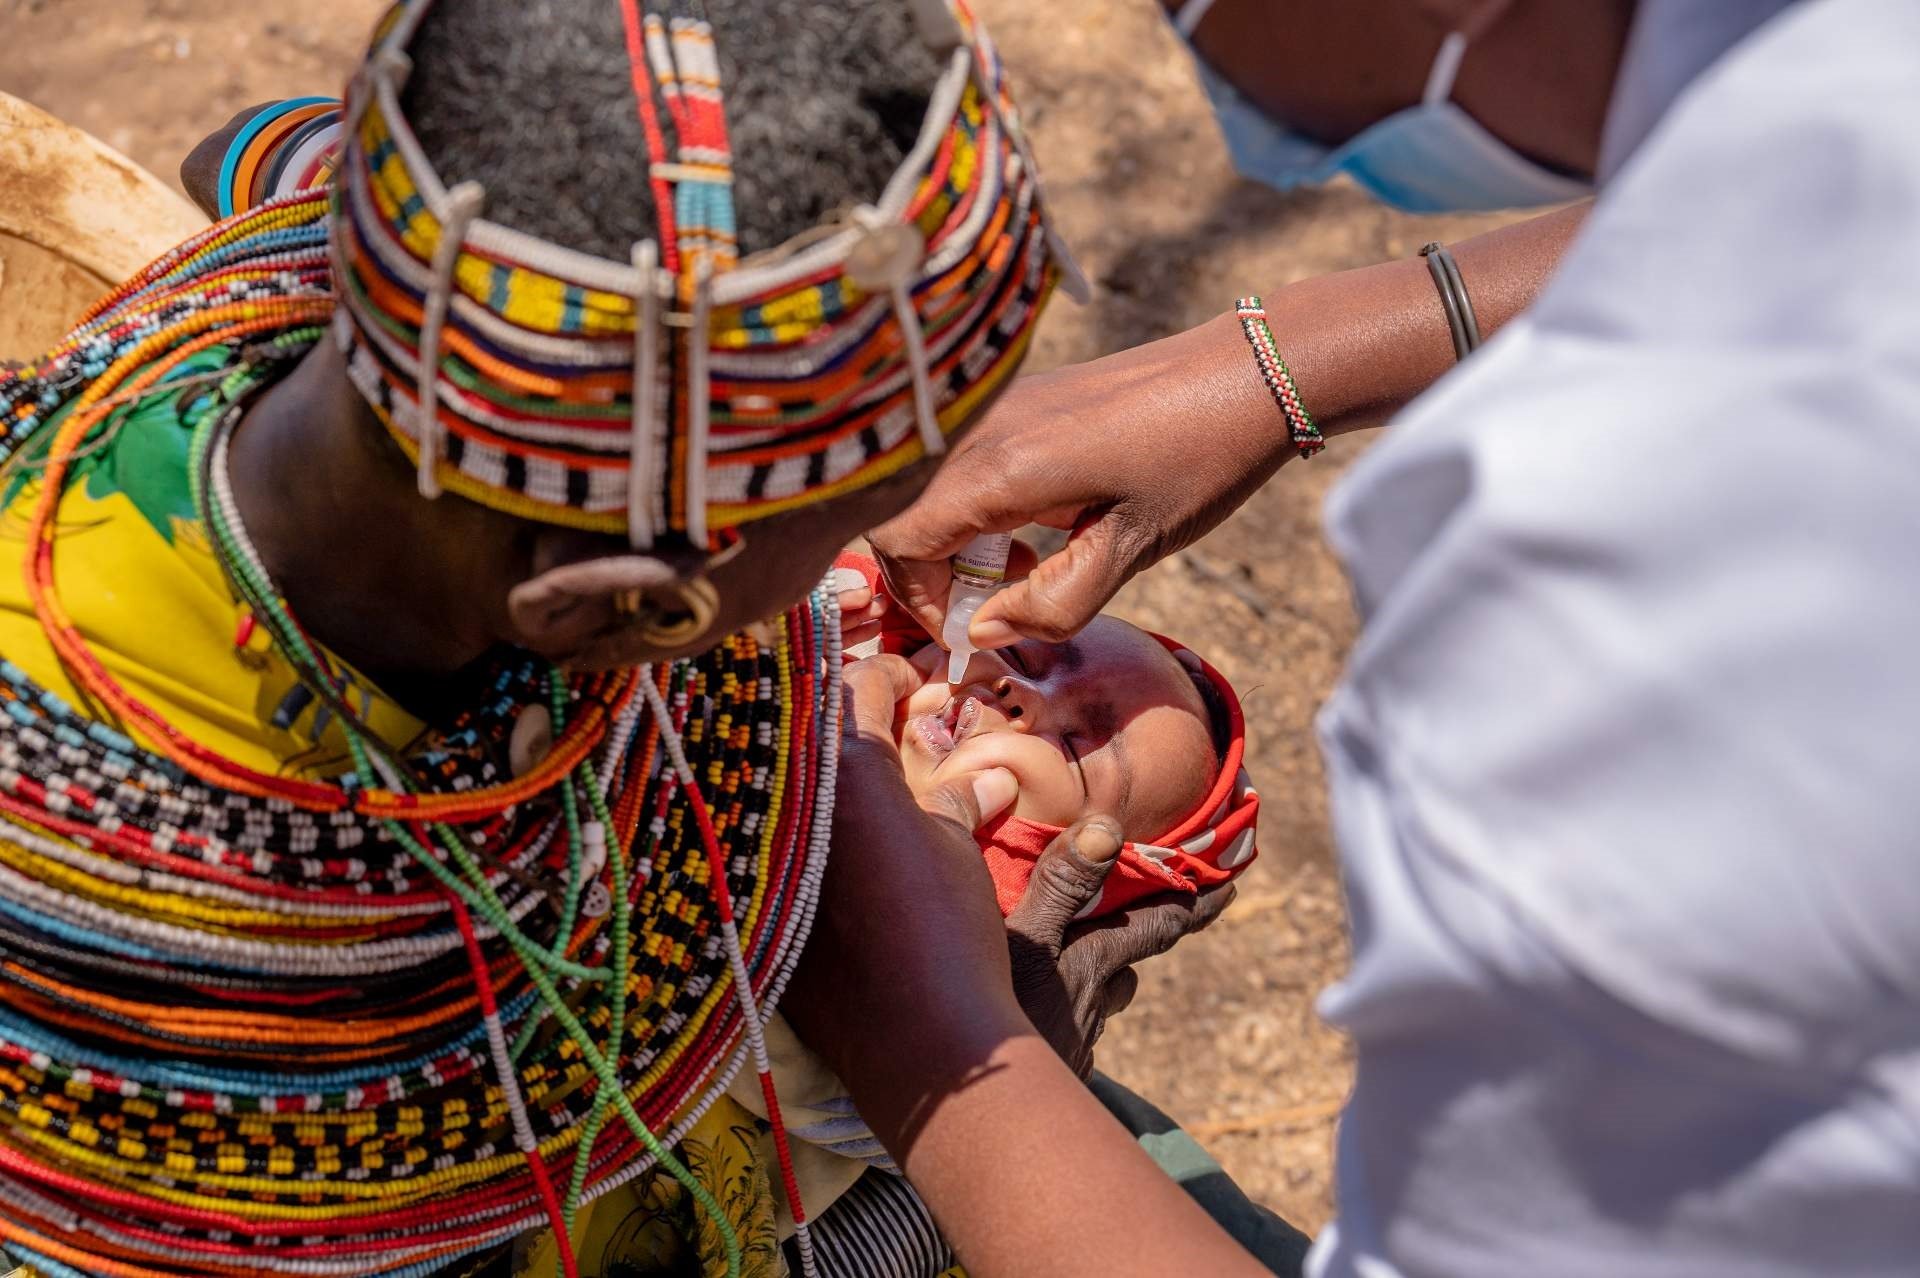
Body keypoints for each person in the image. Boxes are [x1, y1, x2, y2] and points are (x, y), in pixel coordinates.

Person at [0, 2, 1200, 1275]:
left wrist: (1272, 375)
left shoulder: (371, 276)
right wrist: (967, 1096)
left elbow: (249, 147)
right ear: (609, 605)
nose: (913, 549)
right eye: (865, 508)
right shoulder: (218, 1009)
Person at [783, 1, 1920, 1276]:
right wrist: (1282, 365)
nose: (1013, 692)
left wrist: (941, 1054)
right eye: (1044, 660)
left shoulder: (1627, 628)